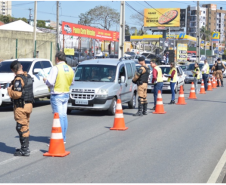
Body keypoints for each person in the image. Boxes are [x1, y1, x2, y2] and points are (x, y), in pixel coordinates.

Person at [43, 51, 74, 144]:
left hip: (57, 95)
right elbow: (72, 82)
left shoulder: (55, 68)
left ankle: (59, 138)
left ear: (57, 58)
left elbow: (50, 82)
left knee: (58, 117)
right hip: (66, 94)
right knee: (63, 116)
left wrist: (45, 80)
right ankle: (63, 138)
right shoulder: (70, 69)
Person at [7, 60, 34, 156]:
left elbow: (18, 94)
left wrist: (9, 91)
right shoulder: (28, 77)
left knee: (21, 127)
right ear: (21, 66)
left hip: (21, 106)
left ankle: (25, 149)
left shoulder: (18, 79)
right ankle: (24, 148)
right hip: (29, 105)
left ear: (12, 70)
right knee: (25, 126)